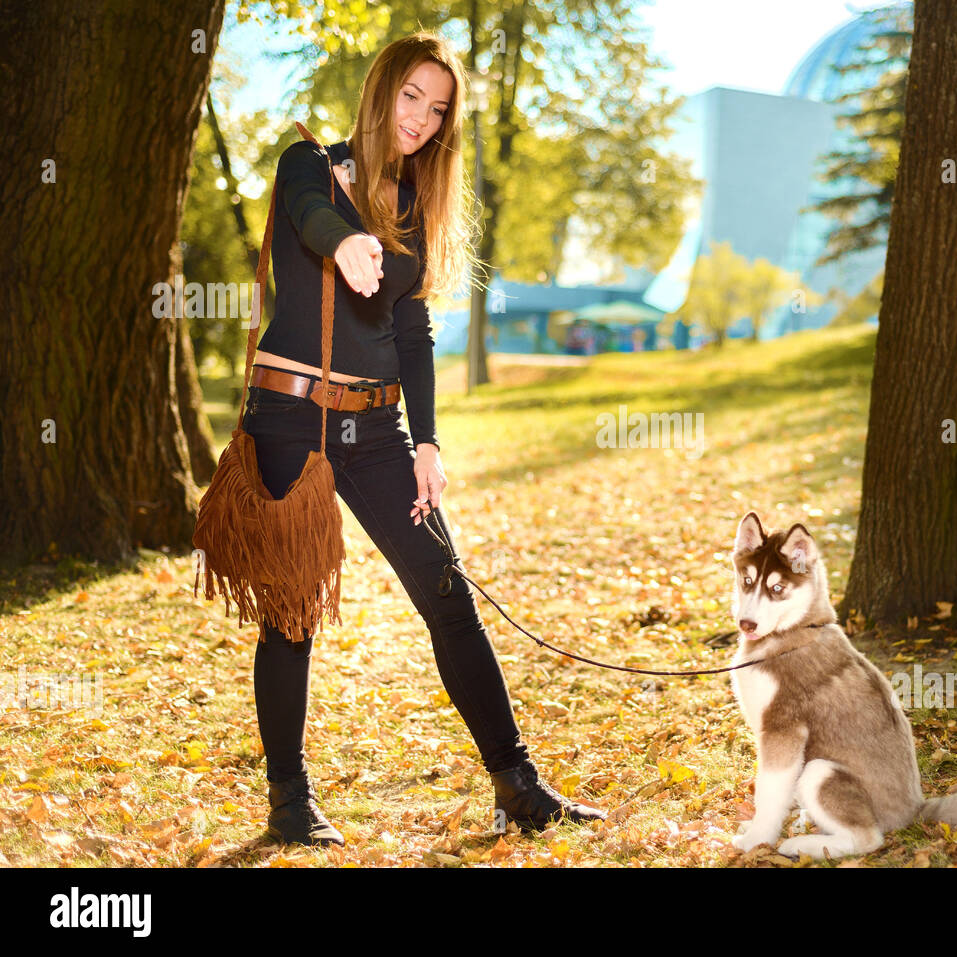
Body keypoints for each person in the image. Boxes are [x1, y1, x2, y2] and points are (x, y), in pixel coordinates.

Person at [244, 31, 604, 846]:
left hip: (376, 430)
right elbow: (306, 221)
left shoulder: (414, 204)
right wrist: (346, 240)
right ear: (381, 91)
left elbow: (413, 334)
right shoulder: (309, 164)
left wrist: (429, 443)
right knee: (291, 613)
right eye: (411, 96)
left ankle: (518, 785)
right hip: (292, 418)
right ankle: (289, 800)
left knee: (448, 595)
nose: (421, 119)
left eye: (437, 109)